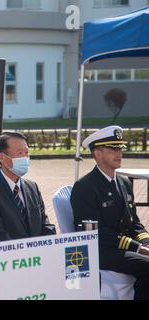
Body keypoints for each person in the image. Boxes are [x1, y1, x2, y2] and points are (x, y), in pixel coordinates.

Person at [71, 126, 149, 300]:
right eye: (113, 149)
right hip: (101, 250)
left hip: (123, 248)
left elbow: (134, 221)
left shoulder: (124, 183)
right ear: (97, 153)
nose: (119, 153)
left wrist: (146, 241)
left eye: (120, 148)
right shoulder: (85, 187)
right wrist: (137, 247)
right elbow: (95, 232)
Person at [0, 132, 55, 244]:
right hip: (9, 257)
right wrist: (26, 251)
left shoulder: (32, 187)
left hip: (38, 256)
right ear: (2, 157)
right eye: (20, 153)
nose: (25, 157)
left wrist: (49, 244)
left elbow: (45, 225)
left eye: (27, 152)